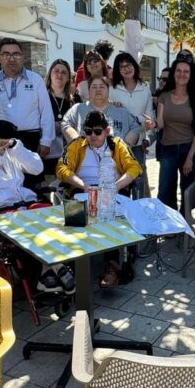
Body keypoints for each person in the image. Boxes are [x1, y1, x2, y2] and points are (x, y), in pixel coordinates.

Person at [56, 110, 142, 287]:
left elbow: (134, 167)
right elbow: (62, 169)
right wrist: (81, 184)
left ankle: (112, 265)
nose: (92, 136)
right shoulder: (76, 145)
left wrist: (116, 186)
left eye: (97, 131)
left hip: (112, 190)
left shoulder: (118, 144)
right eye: (88, 131)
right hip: (81, 190)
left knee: (112, 221)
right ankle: (72, 265)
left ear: (107, 130)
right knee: (73, 222)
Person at [0, 38, 54, 187]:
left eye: (16, 54)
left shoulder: (36, 80)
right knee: (6, 183)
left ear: (23, 57)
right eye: (6, 54)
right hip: (1, 140)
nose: (11, 59)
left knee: (32, 183)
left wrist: (46, 141)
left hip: (31, 139)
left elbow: (46, 112)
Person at [155, 58, 195, 213]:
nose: (182, 74)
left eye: (186, 71)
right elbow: (160, 124)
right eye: (178, 71)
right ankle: (168, 222)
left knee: (187, 191)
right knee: (164, 191)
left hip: (189, 148)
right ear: (173, 73)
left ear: (190, 75)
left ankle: (184, 224)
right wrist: (152, 124)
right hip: (167, 148)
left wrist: (190, 157)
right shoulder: (164, 96)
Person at [109, 51, 156, 195]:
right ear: (118, 70)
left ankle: (137, 215)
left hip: (137, 145)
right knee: (119, 184)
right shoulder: (112, 89)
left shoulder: (144, 88)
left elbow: (150, 115)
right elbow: (106, 114)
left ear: (134, 66)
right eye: (121, 67)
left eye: (128, 65)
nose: (126, 69)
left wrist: (149, 124)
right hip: (117, 144)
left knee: (138, 184)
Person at [63, 76, 142, 150]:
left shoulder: (121, 110)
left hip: (116, 160)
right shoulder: (78, 109)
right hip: (85, 159)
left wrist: (126, 146)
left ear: (108, 90)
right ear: (89, 91)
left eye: (102, 87)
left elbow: (135, 127)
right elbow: (65, 123)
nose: (98, 90)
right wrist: (77, 143)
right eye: (94, 87)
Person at [44, 58, 75, 181]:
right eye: (56, 71)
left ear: (68, 78)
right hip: (47, 153)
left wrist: (63, 127)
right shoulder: (41, 97)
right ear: (50, 74)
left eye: (64, 72)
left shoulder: (74, 100)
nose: (59, 74)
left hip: (67, 155)